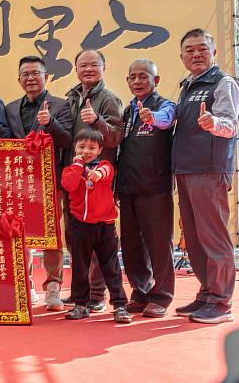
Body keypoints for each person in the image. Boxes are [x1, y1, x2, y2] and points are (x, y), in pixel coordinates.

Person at [172, 29, 239, 324]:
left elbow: (230, 124)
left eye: (202, 49)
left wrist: (214, 123)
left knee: (213, 237)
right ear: (182, 56)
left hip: (209, 170)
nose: (196, 54)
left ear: (214, 53)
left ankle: (221, 301)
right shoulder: (187, 85)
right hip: (186, 169)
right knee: (195, 239)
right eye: (189, 50)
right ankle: (207, 292)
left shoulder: (223, 83)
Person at [4, 56, 73, 311]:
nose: (30, 78)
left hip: (49, 180)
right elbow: (6, 140)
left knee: (50, 233)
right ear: (19, 79)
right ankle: (25, 284)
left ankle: (53, 286)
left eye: (36, 73)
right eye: (25, 74)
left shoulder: (60, 106)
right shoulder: (10, 108)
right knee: (19, 232)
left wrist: (50, 123)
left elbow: (67, 141)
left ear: (46, 76)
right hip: (18, 181)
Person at [63, 48, 125, 312]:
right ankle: (82, 293)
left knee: (101, 243)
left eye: (93, 65)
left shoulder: (110, 99)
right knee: (76, 239)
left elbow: (115, 138)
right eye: (83, 65)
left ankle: (97, 294)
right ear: (76, 69)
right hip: (74, 175)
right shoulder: (70, 98)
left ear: (104, 67)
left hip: (98, 179)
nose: (88, 69)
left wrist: (97, 121)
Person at [117, 59, 176, 318]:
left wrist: (154, 118)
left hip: (155, 187)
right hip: (128, 187)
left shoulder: (165, 106)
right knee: (131, 246)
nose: (137, 81)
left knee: (158, 245)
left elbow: (166, 120)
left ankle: (161, 296)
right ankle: (140, 291)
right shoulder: (127, 112)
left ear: (156, 80)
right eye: (132, 77)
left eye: (143, 76)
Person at [61, 129, 132, 324]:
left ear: (100, 150)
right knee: (80, 267)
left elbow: (106, 173)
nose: (86, 151)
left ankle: (120, 306)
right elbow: (68, 185)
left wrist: (97, 174)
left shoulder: (105, 165)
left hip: (105, 226)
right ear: (75, 147)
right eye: (82, 146)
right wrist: (78, 164)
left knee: (111, 267)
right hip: (81, 226)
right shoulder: (71, 169)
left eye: (92, 148)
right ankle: (80, 304)